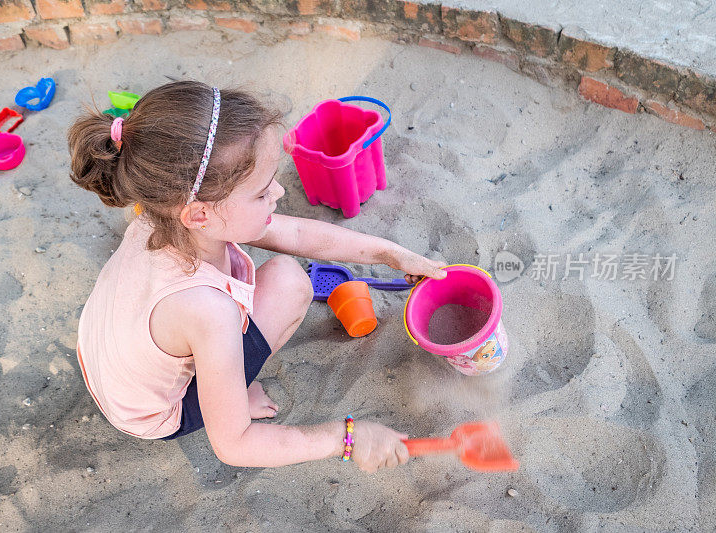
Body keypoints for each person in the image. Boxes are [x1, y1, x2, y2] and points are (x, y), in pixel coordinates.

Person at [67, 80, 447, 473]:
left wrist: (392, 254)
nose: (279, 193)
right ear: (199, 213)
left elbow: (299, 235)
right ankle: (229, 397)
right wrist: (347, 438)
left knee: (284, 270)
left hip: (111, 361)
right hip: (154, 413)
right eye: (262, 192)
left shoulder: (165, 212)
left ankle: (222, 387)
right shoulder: (206, 309)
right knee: (290, 284)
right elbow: (236, 446)